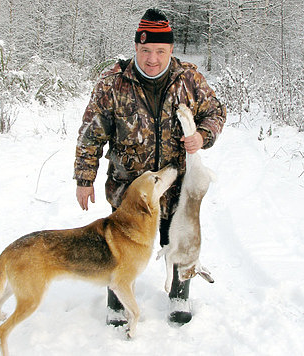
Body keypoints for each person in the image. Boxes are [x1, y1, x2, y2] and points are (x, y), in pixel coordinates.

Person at [74, 8, 226, 326]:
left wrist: (202, 134)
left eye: (160, 51)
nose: (152, 59)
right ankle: (117, 301)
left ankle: (179, 295)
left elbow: (216, 112)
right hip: (128, 189)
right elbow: (90, 134)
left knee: (179, 239)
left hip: (174, 186)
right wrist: (85, 177)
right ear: (136, 49)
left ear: (171, 50)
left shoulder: (190, 80)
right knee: (120, 244)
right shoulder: (113, 83)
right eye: (145, 50)